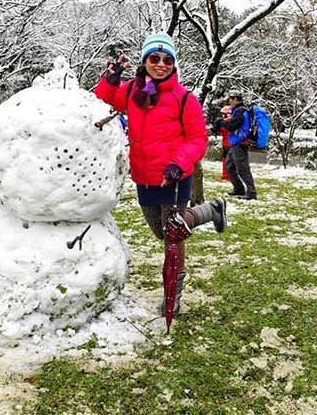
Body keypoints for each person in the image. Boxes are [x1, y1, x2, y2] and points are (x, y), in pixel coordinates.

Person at [93, 32, 227, 315]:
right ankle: (212, 210)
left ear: (173, 64)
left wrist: (179, 165)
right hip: (144, 176)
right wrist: (111, 79)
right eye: (154, 58)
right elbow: (102, 102)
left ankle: (172, 296)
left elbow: (197, 139)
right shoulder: (133, 90)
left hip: (174, 176)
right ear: (145, 61)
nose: (161, 64)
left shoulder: (184, 98)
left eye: (167, 60)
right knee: (159, 231)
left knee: (172, 237)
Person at [220, 92, 257, 200]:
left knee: (243, 169)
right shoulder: (239, 110)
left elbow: (232, 126)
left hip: (240, 142)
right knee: (229, 165)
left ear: (236, 99)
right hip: (236, 143)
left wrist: (222, 123)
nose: (229, 100)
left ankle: (251, 193)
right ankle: (239, 189)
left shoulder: (240, 111)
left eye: (231, 98)